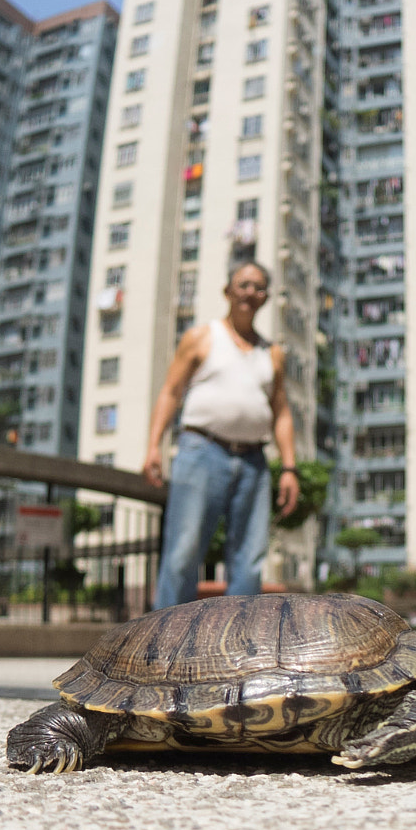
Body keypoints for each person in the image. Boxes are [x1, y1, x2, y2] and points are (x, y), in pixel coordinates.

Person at [144, 261, 300, 609]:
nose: (250, 292)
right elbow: (171, 391)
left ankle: (239, 648)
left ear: (266, 297)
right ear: (227, 291)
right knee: (183, 551)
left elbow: (282, 412)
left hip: (254, 463)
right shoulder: (201, 337)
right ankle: (164, 644)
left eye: (259, 287)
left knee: (250, 559)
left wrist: (289, 468)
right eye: (243, 284)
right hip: (202, 451)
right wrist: (154, 446)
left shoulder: (272, 353)